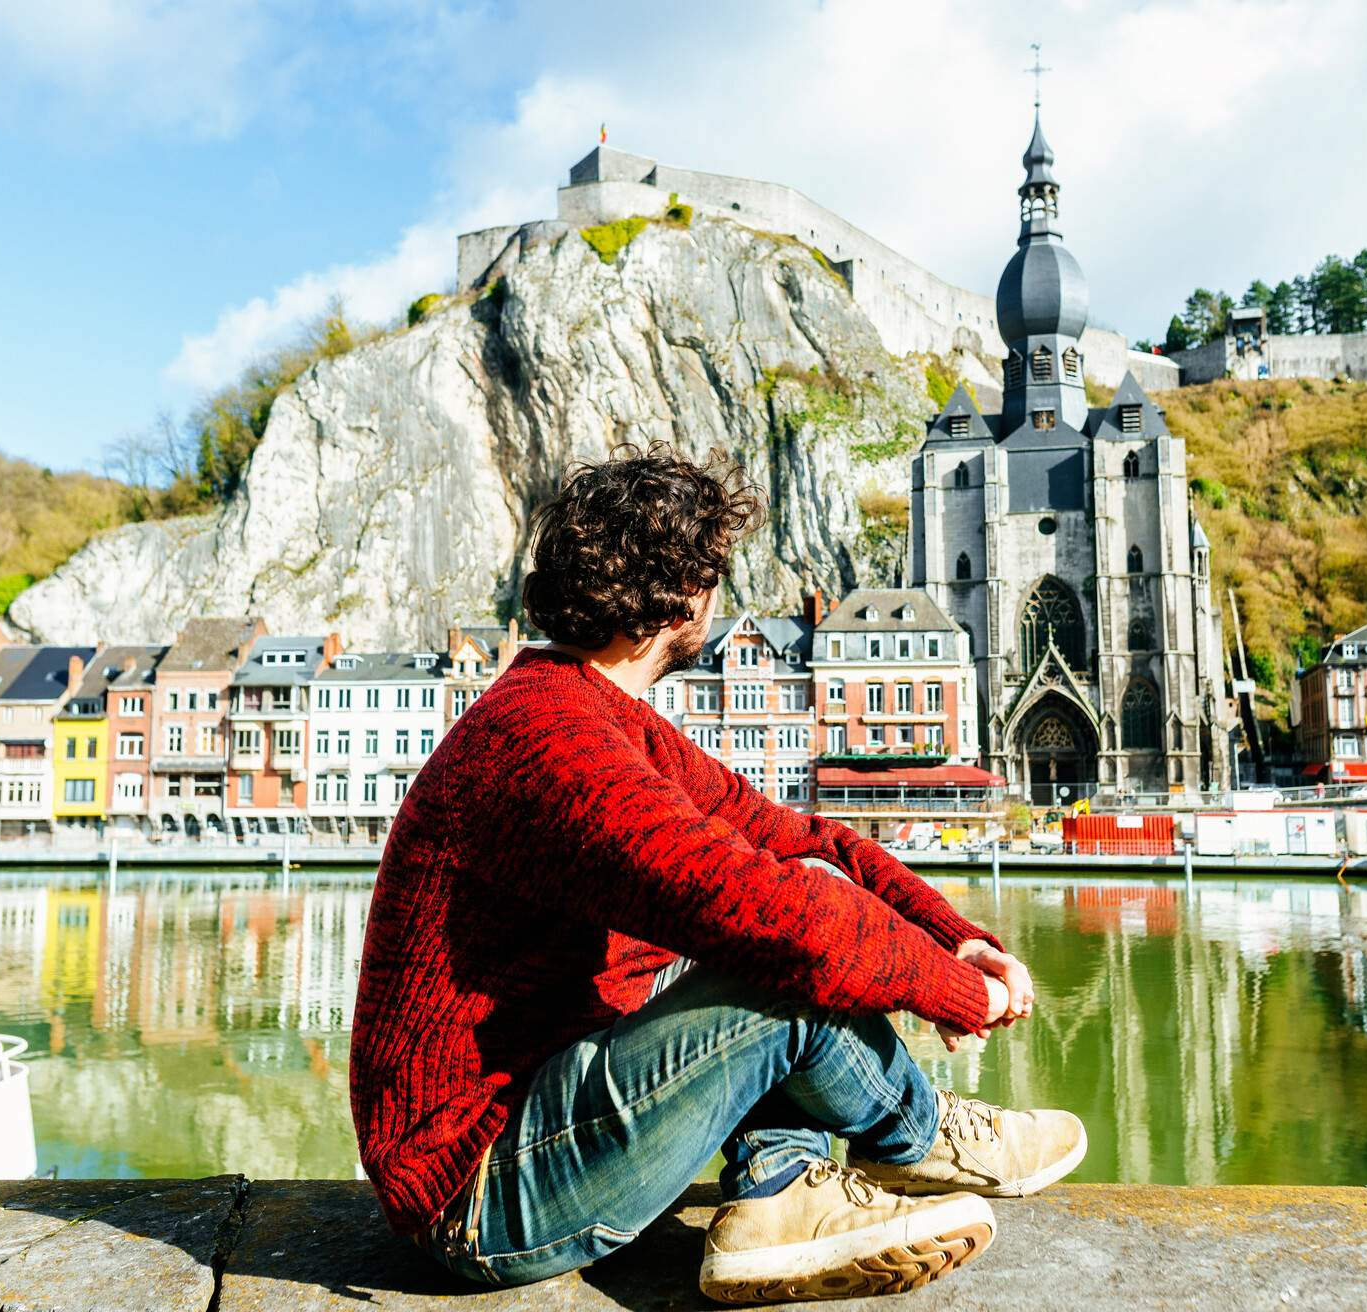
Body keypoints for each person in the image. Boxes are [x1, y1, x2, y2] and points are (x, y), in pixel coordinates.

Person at [350, 444, 1085, 1303]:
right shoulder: (548, 739)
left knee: (797, 915)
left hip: (551, 1112)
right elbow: (782, 916)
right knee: (788, 948)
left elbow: (802, 842)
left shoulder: (592, 710)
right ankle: (918, 1135)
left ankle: (778, 1193)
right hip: (478, 1187)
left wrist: (955, 939)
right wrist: (960, 995)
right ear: (682, 591)